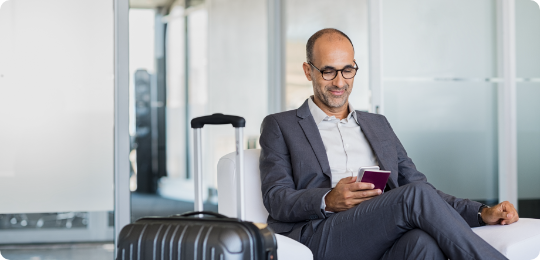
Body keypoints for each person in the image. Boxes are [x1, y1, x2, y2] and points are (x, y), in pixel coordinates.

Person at [259, 28, 519, 260]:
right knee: (413, 197)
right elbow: (276, 198)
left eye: (347, 70)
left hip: (379, 232)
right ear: (308, 71)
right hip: (321, 237)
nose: (339, 82)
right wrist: (328, 199)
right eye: (328, 71)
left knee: (423, 243)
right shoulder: (281, 125)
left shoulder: (377, 124)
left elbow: (421, 188)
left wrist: (481, 212)